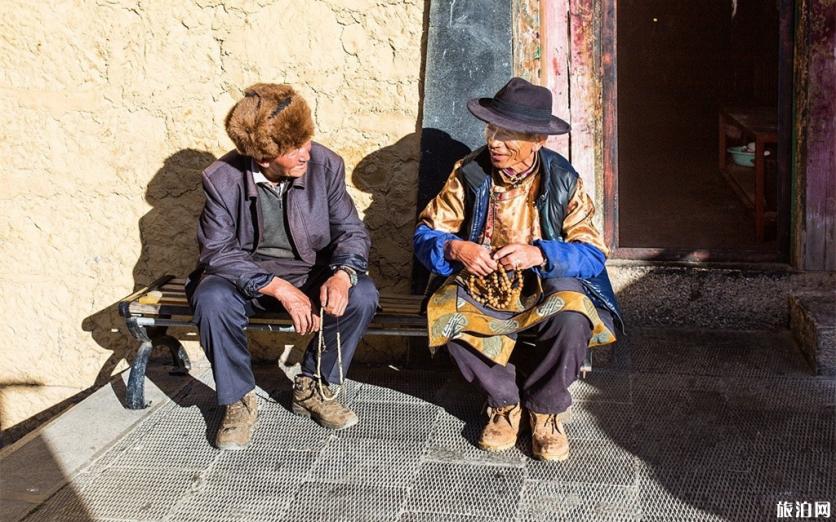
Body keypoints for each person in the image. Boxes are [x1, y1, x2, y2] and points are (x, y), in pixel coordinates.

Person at [413, 77, 623, 461]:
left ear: (538, 141)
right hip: (485, 284)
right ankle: (504, 402)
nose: (495, 142)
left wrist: (539, 254)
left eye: (508, 134)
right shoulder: (469, 174)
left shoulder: (561, 179)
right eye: (492, 129)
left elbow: (593, 253)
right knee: (446, 312)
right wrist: (456, 247)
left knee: (573, 317)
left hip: (545, 282)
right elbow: (426, 234)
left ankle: (545, 410)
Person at [188, 83, 378, 450]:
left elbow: (351, 231)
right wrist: (275, 286)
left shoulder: (326, 165)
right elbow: (217, 252)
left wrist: (342, 273)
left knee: (363, 293)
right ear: (264, 158)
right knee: (210, 298)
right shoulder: (220, 179)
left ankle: (313, 387)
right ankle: (238, 401)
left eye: (306, 141)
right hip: (246, 278)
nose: (306, 153)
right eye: (294, 150)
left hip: (310, 273)